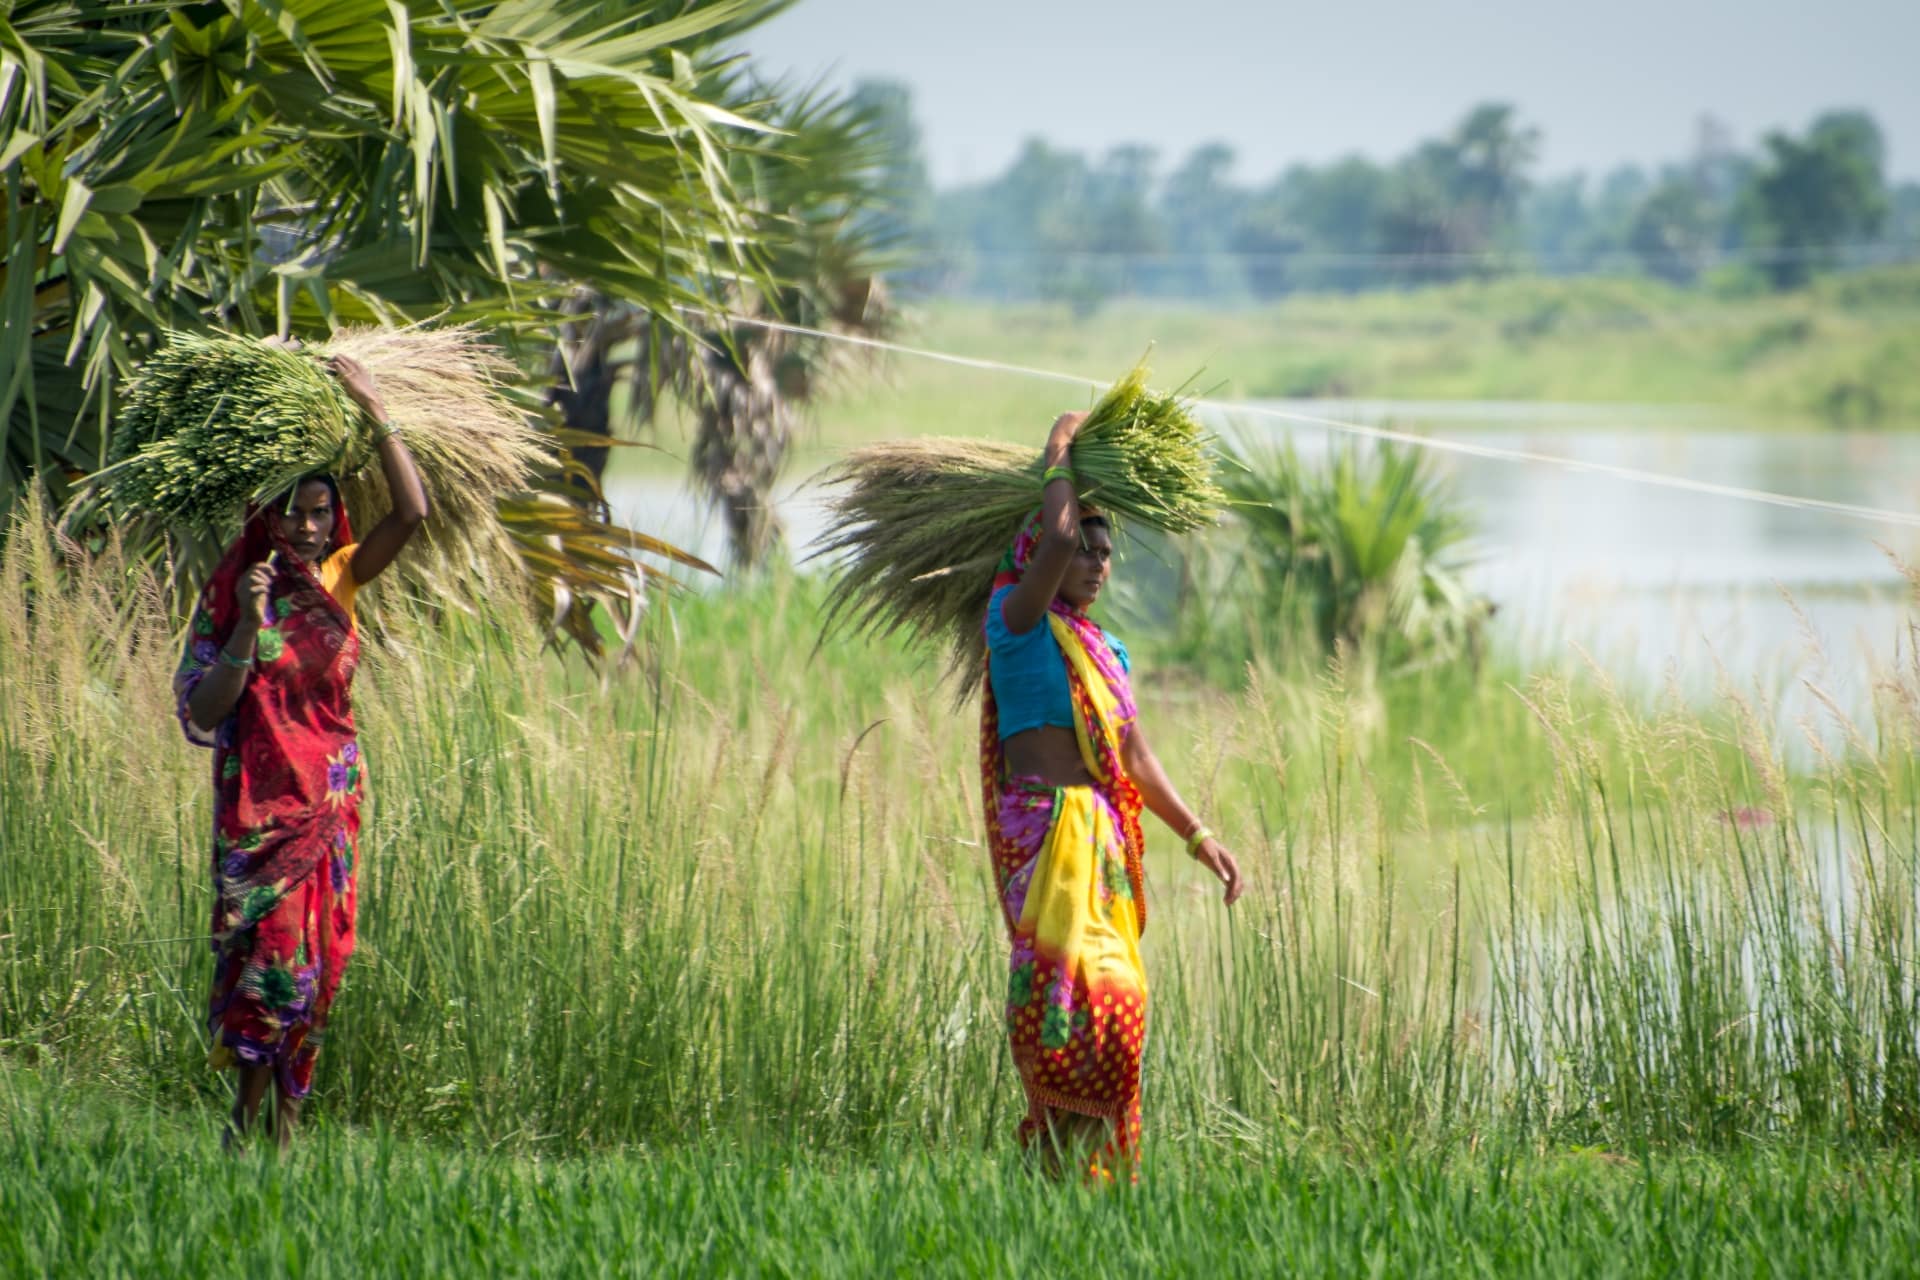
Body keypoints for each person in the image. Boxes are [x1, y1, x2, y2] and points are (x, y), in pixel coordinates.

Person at [174, 350, 428, 1150]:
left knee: (322, 961)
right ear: (268, 516)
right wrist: (249, 627)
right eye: (296, 514)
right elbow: (206, 707)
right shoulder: (233, 590)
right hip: (260, 809)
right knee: (272, 960)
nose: (310, 528)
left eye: (323, 513)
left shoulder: (342, 577)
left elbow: (412, 514)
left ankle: (286, 1126)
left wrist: (373, 403)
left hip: (331, 804)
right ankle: (244, 1125)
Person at [981, 409, 1244, 1180]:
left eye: (1106, 555)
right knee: (1065, 1010)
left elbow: (1132, 753)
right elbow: (1055, 535)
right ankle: (1046, 1174)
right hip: (1044, 837)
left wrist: (1200, 837)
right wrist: (1058, 448)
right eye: (1084, 551)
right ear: (1039, 555)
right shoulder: (1015, 620)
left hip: (1099, 845)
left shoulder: (1108, 649)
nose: (1096, 563)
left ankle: (1077, 1182)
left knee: (1121, 1008)